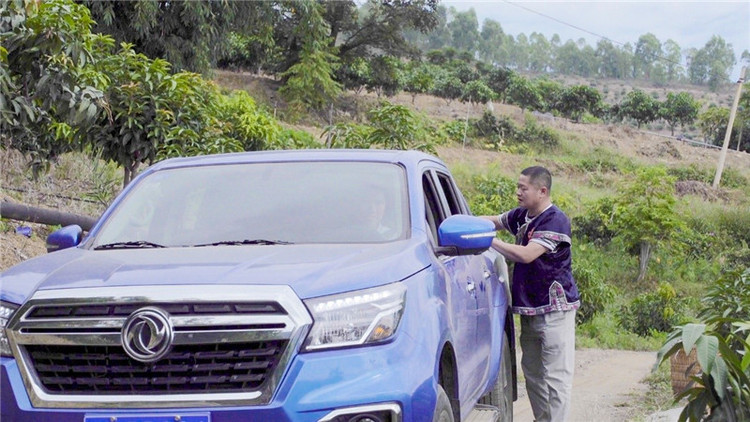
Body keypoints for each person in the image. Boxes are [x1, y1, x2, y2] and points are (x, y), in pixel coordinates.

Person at [482, 166, 580, 422]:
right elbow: (494, 220)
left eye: (523, 188)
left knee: (557, 377)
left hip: (555, 312)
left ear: (542, 191)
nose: (518, 192)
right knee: (534, 375)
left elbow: (526, 254)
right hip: (530, 310)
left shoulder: (555, 220)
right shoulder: (521, 216)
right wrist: (463, 221)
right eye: (518, 187)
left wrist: (487, 239)